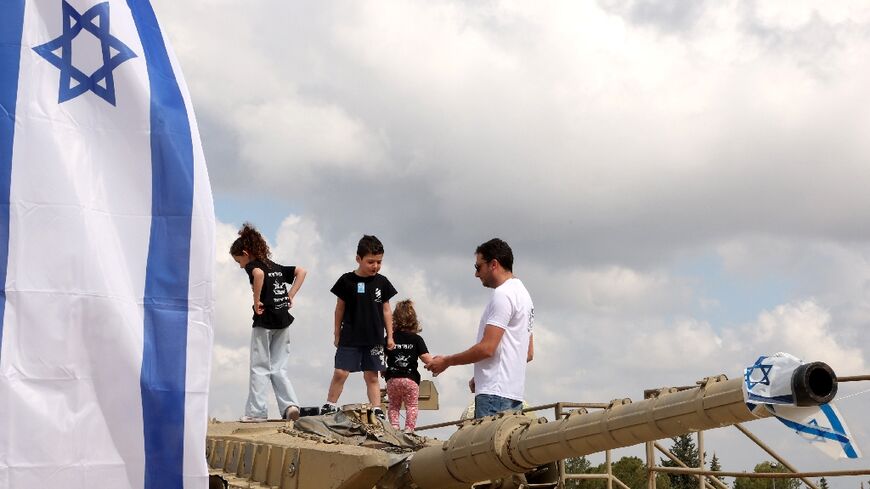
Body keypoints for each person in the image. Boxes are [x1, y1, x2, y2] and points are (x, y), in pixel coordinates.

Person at [426, 238, 534, 418]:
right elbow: (528, 353)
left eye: (478, 267)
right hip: (514, 395)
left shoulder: (503, 294)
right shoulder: (524, 295)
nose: (476, 274)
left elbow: (487, 348)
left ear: (493, 264)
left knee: (487, 447)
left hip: (493, 396)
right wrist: (483, 377)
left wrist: (447, 361)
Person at [230, 223, 307, 422]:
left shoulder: (254, 266)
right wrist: (291, 295)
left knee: (259, 366)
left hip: (264, 321)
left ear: (246, 253)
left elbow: (258, 274)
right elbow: (302, 271)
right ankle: (290, 406)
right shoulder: (275, 266)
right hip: (283, 320)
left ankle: (257, 412)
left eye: (239, 260)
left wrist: (256, 301)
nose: (240, 266)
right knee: (279, 367)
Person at [322, 235, 397, 419]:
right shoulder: (346, 281)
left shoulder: (382, 282)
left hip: (374, 337)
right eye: (371, 262)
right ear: (358, 259)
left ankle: (376, 408)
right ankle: (330, 404)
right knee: (341, 372)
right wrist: (336, 333)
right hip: (350, 335)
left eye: (379, 262)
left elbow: (386, 310)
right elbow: (339, 308)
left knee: (372, 375)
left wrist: (390, 336)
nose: (375, 266)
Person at [384, 299, 432, 432]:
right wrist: (434, 365)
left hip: (392, 379)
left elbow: (382, 356)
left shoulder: (390, 338)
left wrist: (383, 370)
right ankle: (409, 429)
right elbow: (425, 358)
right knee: (411, 405)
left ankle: (394, 427)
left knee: (393, 405)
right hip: (410, 379)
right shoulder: (416, 339)